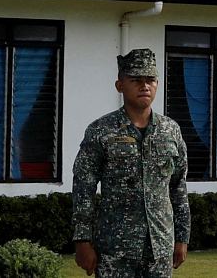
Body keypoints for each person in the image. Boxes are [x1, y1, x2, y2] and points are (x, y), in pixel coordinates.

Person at [71, 48, 190, 278]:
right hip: (115, 251)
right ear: (120, 85)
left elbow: (178, 187)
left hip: (160, 248)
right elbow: (83, 188)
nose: (144, 86)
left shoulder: (171, 130)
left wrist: (182, 237)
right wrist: (82, 241)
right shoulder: (101, 131)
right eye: (136, 80)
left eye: (150, 80)